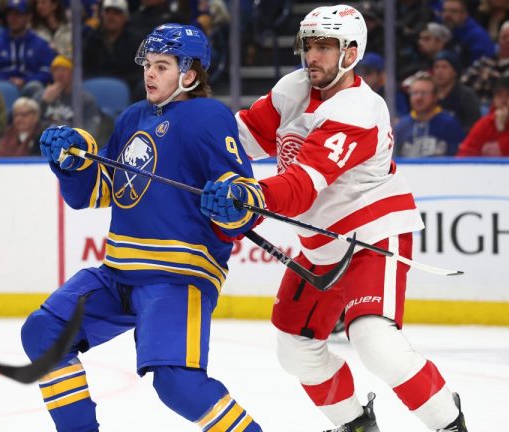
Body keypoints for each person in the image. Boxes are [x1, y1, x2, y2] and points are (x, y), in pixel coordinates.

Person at [201, 5, 467, 432]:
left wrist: (248, 195)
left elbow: (302, 184)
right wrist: (182, 151)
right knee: (296, 349)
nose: (313, 57)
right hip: (323, 241)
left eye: (325, 47)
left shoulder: (359, 109)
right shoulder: (295, 87)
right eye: (309, 45)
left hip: (372, 234)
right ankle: (355, 425)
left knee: (375, 342)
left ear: (351, 52)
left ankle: (449, 423)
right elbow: (241, 139)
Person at [20, 23, 264, 432]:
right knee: (44, 332)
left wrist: (233, 201)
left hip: (176, 277)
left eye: (163, 66)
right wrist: (73, 163)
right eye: (148, 65)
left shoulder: (207, 116)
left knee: (176, 383)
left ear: (190, 74)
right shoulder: (133, 116)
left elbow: (244, 197)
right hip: (117, 273)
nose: (150, 74)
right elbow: (98, 191)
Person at [0, 0, 57, 98]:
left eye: (18, 14)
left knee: (35, 87)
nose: (13, 18)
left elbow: (47, 72)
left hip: (30, 90)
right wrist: (7, 82)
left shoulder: (40, 44)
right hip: (1, 89)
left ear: (28, 17)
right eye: (10, 14)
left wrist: (25, 81)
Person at [458, 75, 509, 156]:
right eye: (499, 96)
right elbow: (464, 153)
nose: (503, 101)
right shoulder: (485, 123)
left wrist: (501, 130)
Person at [461, 20, 509, 103]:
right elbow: (463, 85)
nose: (508, 41)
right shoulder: (483, 62)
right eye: (504, 37)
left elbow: (506, 90)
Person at [395, 75, 465, 157]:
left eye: (424, 93)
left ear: (435, 96)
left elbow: (458, 158)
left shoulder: (450, 124)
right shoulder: (401, 126)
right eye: (414, 93)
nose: (419, 97)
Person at [37, 55, 101, 134]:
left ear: (72, 74)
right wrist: (44, 103)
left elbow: (91, 129)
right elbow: (33, 127)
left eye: (64, 70)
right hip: (47, 141)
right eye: (56, 70)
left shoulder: (85, 100)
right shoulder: (43, 96)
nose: (60, 74)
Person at [432, 50, 482, 133]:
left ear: (454, 72)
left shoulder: (466, 95)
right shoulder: (430, 94)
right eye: (436, 67)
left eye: (445, 67)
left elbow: (474, 125)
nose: (439, 72)